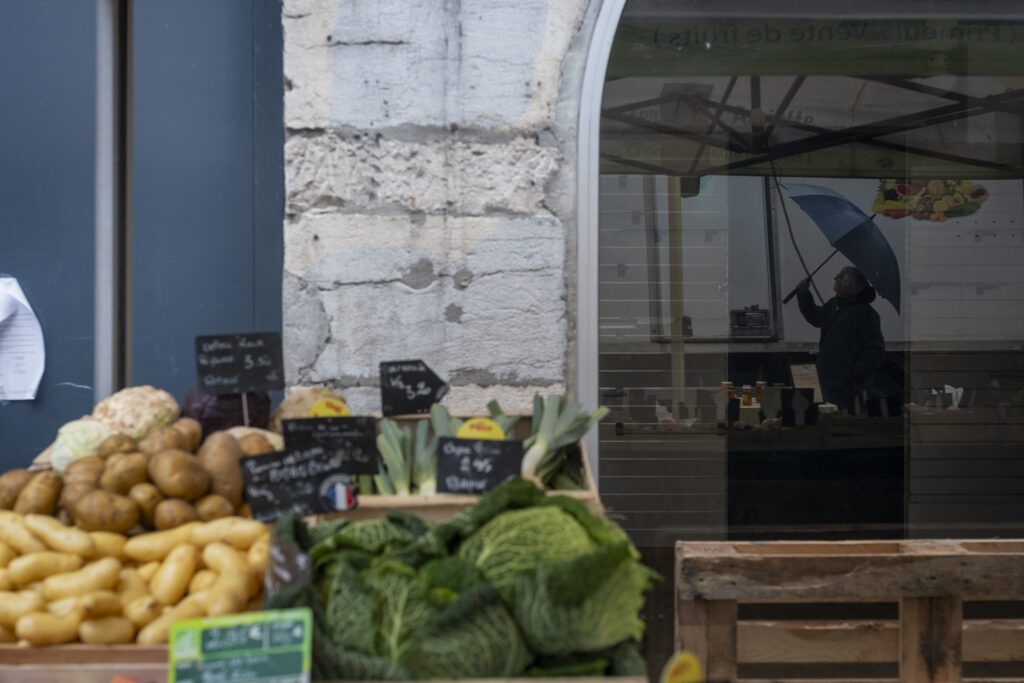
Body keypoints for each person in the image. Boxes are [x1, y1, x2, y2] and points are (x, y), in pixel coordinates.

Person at [794, 266, 885, 413]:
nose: (835, 278)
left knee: (849, 424)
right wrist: (804, 293)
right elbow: (816, 317)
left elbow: (876, 352)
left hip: (850, 388)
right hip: (829, 382)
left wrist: (854, 373)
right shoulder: (835, 304)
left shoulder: (866, 314)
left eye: (839, 276)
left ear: (848, 286)